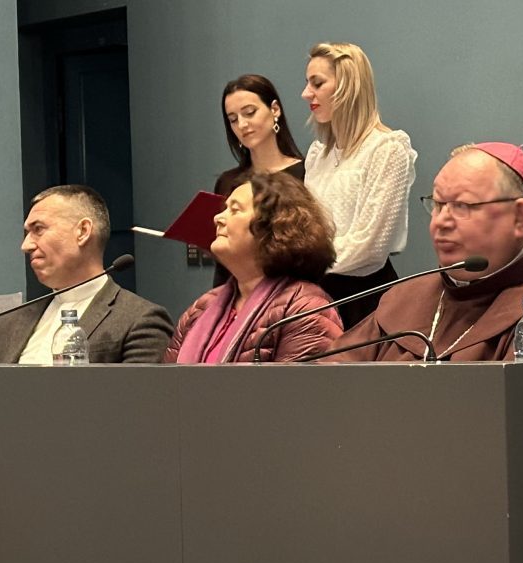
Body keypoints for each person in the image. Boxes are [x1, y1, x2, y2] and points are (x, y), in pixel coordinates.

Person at [325, 143, 523, 362]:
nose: (440, 222)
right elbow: (326, 381)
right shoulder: (405, 299)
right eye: (438, 204)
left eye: (462, 206)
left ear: (518, 218)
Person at [0, 185, 173, 364]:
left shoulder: (140, 320)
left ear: (83, 231)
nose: (26, 245)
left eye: (38, 229)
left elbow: (137, 394)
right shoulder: (5, 323)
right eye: (27, 233)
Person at [165, 172, 341, 363]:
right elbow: (165, 379)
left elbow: (296, 383)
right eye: (224, 209)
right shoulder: (201, 307)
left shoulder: (306, 308)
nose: (217, 218)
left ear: (275, 225)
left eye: (235, 210)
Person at [301, 42, 418, 328]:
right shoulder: (318, 154)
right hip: (318, 294)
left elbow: (370, 247)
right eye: (307, 83)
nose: (306, 93)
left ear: (348, 86)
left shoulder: (387, 149)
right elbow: (307, 231)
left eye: (317, 83)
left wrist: (302, 260)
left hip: (365, 300)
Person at [210, 74, 308, 288]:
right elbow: (223, 264)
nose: (242, 124)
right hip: (237, 291)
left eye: (249, 112)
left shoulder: (307, 173)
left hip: (292, 291)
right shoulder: (228, 182)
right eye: (233, 119)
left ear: (275, 110)